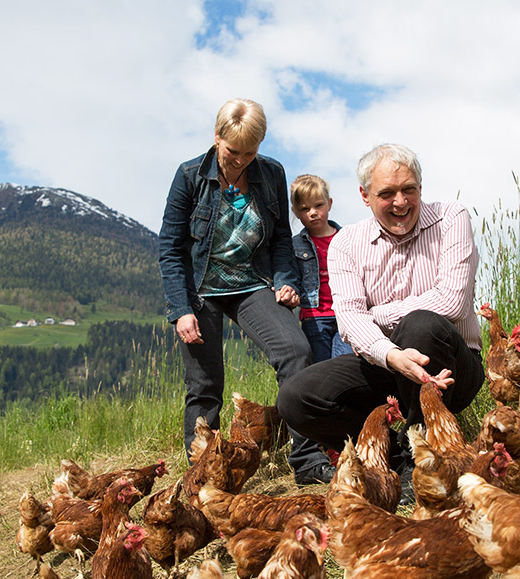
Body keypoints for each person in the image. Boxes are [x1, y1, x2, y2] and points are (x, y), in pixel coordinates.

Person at [276, 143, 485, 502]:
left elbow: (451, 302)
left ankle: (424, 458)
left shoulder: (451, 218)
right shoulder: (346, 243)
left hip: (450, 367)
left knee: (421, 326)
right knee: (295, 398)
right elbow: (349, 320)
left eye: (409, 189)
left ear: (421, 186)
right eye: (387, 193)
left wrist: (378, 315)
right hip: (386, 364)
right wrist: (391, 355)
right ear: (365, 196)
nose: (400, 202)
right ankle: (394, 456)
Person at [158, 98, 335, 486]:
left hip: (252, 283)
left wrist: (286, 280)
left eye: (249, 153)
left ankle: (307, 460)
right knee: (204, 385)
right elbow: (170, 247)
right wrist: (181, 309)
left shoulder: (271, 173)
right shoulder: (189, 176)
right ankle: (203, 478)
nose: (239, 161)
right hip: (201, 290)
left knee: (296, 351)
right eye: (232, 152)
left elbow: (281, 239)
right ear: (216, 137)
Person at [290, 174, 354, 364]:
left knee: (345, 364)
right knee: (321, 366)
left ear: (329, 204)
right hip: (314, 317)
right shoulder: (295, 245)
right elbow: (292, 276)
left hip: (346, 313)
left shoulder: (347, 239)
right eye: (305, 208)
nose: (313, 212)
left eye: (318, 205)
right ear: (295, 212)